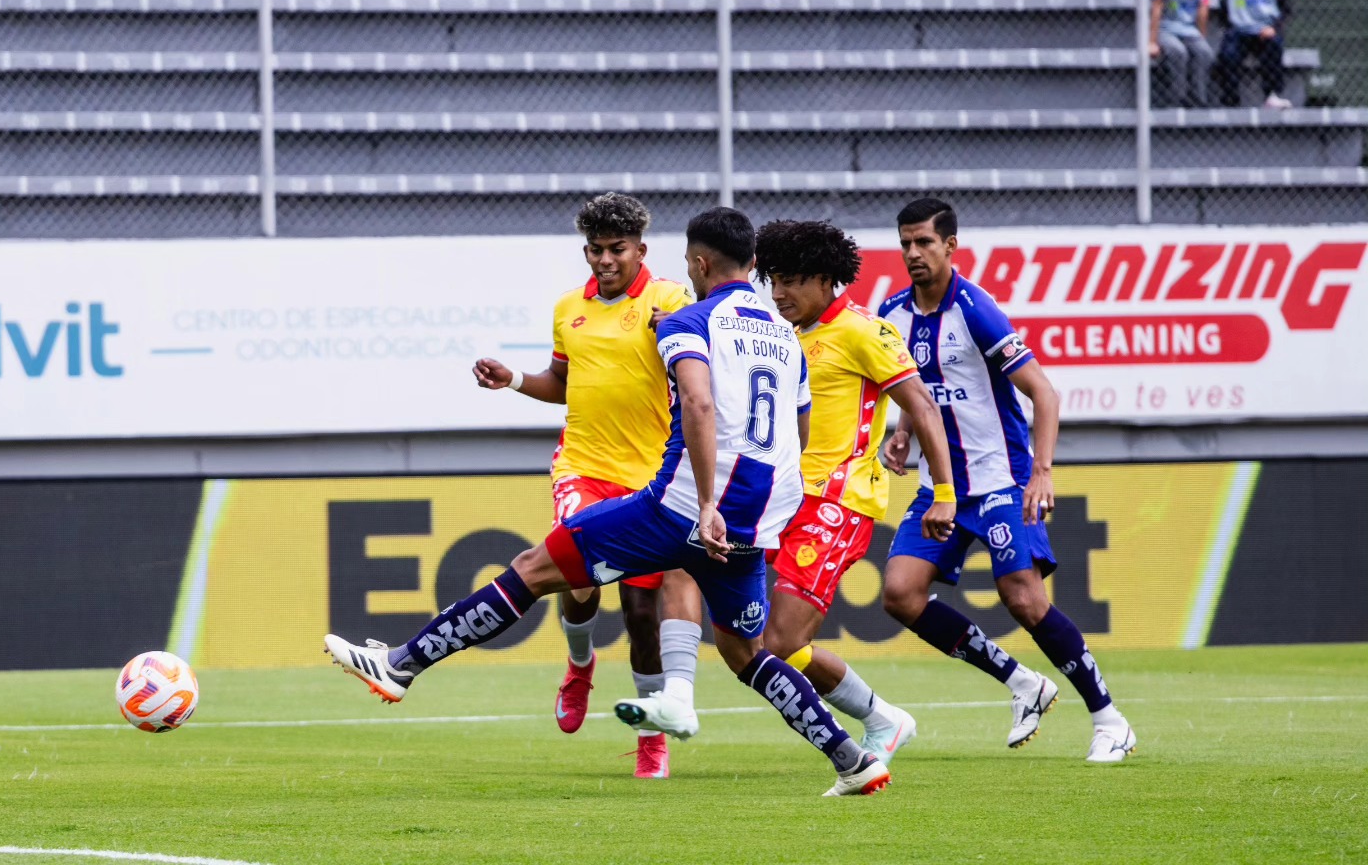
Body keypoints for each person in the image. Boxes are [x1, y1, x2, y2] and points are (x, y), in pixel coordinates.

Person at [327, 207, 893, 797]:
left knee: (534, 568)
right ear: (753, 264)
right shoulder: (786, 336)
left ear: (698, 263)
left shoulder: (687, 320)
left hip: (682, 508)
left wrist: (705, 504)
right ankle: (852, 759)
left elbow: (698, 405)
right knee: (745, 652)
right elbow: (796, 433)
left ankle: (401, 666)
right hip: (761, 517)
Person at [878, 198, 1137, 764]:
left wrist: (1040, 474)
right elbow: (918, 396)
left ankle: (1109, 719)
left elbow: (1043, 392)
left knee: (1022, 597)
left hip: (1000, 478)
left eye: (924, 242)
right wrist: (902, 434)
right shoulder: (891, 313)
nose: (913, 253)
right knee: (899, 594)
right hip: (943, 486)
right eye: (905, 243)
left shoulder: (976, 310)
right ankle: (1023, 683)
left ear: (951, 246)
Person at [468, 192, 704, 779]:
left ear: (640, 250)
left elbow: (700, 349)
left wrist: (674, 326)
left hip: (651, 476)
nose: (604, 260)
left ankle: (652, 737)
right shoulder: (569, 308)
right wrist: (515, 379)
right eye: (595, 250)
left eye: (616, 249)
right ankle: (580, 665)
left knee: (641, 609)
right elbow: (562, 381)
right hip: (583, 465)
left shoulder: (669, 297)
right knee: (575, 576)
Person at [753, 219, 958, 773]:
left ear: (825, 278)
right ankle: (883, 718)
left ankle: (872, 729)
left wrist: (942, 491)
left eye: (791, 280)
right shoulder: (782, 334)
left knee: (776, 642)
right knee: (777, 647)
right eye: (772, 279)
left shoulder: (864, 331)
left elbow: (922, 405)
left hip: (839, 502)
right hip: (785, 501)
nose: (778, 293)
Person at [1149, 0, 1213, 108]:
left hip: (1189, 29)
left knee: (1204, 52)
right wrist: (1152, 41)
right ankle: (1177, 98)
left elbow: (1203, 8)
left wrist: (1201, 35)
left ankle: (1199, 98)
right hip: (1166, 28)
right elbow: (1157, 5)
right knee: (1178, 51)